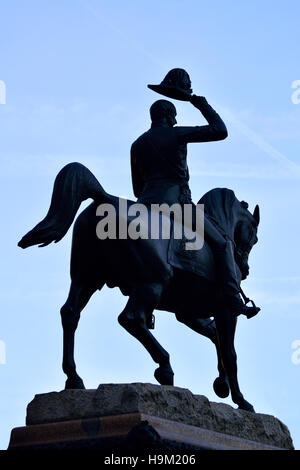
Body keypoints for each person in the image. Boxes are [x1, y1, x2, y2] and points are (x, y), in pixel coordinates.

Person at [130, 95, 259, 318]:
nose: (176, 120)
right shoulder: (177, 134)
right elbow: (220, 130)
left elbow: (136, 188)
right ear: (170, 116)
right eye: (174, 116)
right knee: (222, 243)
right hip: (176, 206)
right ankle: (233, 297)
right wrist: (200, 104)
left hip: (145, 208)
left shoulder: (137, 144)